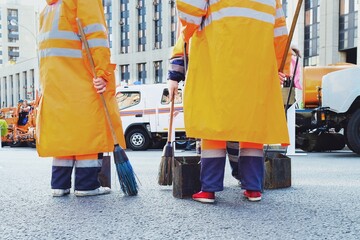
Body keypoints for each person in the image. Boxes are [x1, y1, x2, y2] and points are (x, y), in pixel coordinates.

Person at [168, 0, 291, 203]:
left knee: (213, 127)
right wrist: (280, 67)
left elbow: (189, 16)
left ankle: (208, 189)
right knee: (252, 129)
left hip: (217, 62)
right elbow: (280, 34)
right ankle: (253, 189)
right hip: (255, 68)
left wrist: (175, 70)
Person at [37, 0, 127, 197]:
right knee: (87, 130)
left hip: (53, 81)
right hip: (81, 78)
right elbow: (96, 37)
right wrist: (103, 74)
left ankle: (59, 185)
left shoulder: (49, 8)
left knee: (64, 133)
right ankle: (87, 186)